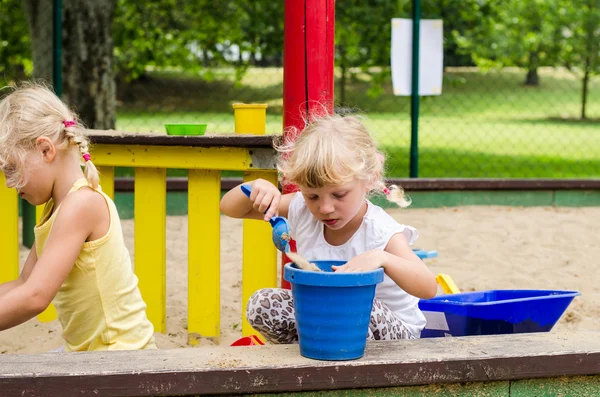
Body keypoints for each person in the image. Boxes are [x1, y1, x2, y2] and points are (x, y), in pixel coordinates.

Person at [220, 113, 437, 344]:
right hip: (328, 319)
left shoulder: (379, 230)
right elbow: (231, 208)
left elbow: (428, 287)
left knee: (355, 306)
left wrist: (382, 258)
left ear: (369, 179)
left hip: (392, 336)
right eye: (312, 195)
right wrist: (256, 187)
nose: (324, 208)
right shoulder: (301, 209)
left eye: (339, 194)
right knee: (261, 304)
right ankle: (308, 353)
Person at [0, 82, 156, 351]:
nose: (8, 183)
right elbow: (24, 282)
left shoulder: (81, 204)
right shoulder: (56, 208)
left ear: (46, 150)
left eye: (12, 168)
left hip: (120, 356)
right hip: (92, 353)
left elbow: (36, 296)